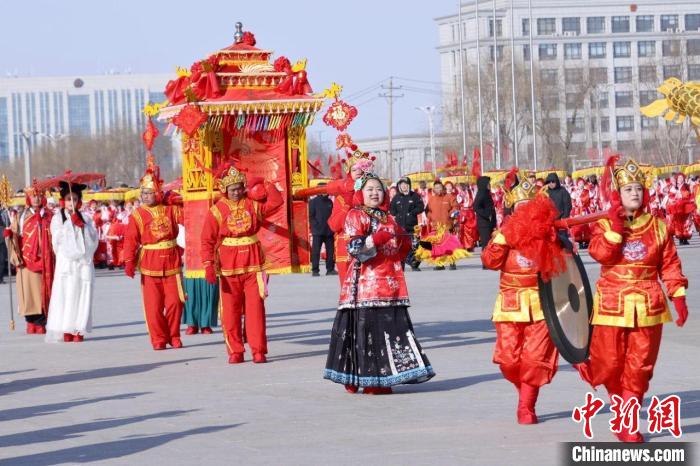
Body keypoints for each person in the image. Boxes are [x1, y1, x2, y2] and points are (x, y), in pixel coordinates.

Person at [576, 157, 689, 443]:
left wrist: (677, 295)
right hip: (611, 304)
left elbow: (670, 263)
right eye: (628, 190)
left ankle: (627, 422)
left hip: (648, 305)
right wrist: (614, 228)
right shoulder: (604, 225)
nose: (635, 194)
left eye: (638, 188)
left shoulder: (658, 226)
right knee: (610, 364)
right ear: (618, 194)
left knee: (639, 367)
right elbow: (601, 254)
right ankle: (620, 408)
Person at [324, 173, 435, 394]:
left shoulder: (389, 217)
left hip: (391, 284)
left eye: (378, 189)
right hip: (367, 286)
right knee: (369, 332)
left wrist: (417, 244)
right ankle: (368, 379)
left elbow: (398, 248)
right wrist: (376, 239)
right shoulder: (356, 215)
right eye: (370, 189)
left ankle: (384, 376)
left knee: (391, 331)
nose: (375, 193)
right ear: (360, 193)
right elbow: (354, 248)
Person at [481, 174, 559, 425]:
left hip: (541, 305)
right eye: (520, 207)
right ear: (512, 210)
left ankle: (527, 405)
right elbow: (489, 262)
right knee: (508, 360)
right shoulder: (503, 234)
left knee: (535, 360)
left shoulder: (548, 235)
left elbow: (565, 271)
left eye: (530, 207)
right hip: (510, 304)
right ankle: (523, 388)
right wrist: (501, 241)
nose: (525, 212)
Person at [201, 164, 283, 364]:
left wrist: (265, 183)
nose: (236, 192)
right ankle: (235, 350)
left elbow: (276, 202)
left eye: (239, 187)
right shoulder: (216, 210)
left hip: (253, 264)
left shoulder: (253, 205)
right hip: (228, 266)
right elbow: (207, 240)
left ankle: (258, 350)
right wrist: (208, 265)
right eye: (232, 189)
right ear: (225, 190)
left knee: (255, 309)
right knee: (230, 311)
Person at [123, 162, 185, 351]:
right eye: (145, 193)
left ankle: (173, 334)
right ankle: (158, 337)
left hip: (172, 260)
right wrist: (129, 261)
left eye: (151, 193)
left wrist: (180, 200)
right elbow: (130, 240)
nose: (147, 197)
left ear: (158, 193)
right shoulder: (138, 215)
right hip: (150, 262)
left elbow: (191, 217)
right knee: (153, 306)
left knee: (175, 301)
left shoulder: (171, 209)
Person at [45, 182, 99, 343]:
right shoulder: (57, 219)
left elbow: (94, 240)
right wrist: (70, 225)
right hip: (67, 263)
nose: (71, 202)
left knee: (82, 293)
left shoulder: (86, 218)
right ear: (63, 201)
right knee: (67, 295)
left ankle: (79, 328)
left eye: (74, 199)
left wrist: (82, 226)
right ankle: (66, 328)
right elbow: (57, 241)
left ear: (79, 201)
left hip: (83, 263)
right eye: (69, 199)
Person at [4, 184, 55, 334]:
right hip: (26, 260)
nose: (36, 198)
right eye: (33, 195)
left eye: (39, 195)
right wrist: (9, 236)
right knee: (27, 292)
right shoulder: (21, 216)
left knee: (42, 291)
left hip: (45, 259)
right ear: (28, 197)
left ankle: (41, 321)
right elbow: (15, 234)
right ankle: (30, 321)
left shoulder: (50, 215)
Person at [389, 177, 424, 271]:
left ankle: (414, 264)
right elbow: (391, 209)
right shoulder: (396, 197)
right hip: (400, 227)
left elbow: (421, 207)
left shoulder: (414, 195)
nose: (403, 186)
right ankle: (401, 265)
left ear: (409, 185)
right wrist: (395, 214)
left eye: (405, 184)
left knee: (414, 246)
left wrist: (412, 212)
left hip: (411, 227)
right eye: (402, 184)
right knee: (400, 247)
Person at [308, 185, 336, 277]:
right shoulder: (313, 202)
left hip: (329, 231)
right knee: (316, 251)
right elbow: (311, 216)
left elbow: (333, 215)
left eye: (326, 190)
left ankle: (330, 269)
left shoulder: (330, 202)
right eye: (323, 190)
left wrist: (332, 227)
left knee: (330, 251)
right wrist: (315, 226)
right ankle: (315, 270)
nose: (325, 192)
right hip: (317, 232)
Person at [473, 176, 497, 249]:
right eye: (488, 184)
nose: (489, 185)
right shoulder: (481, 194)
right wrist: (487, 214)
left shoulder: (487, 193)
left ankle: (489, 259)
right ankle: (485, 259)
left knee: (490, 243)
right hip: (484, 223)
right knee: (486, 244)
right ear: (483, 184)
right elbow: (476, 206)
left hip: (489, 222)